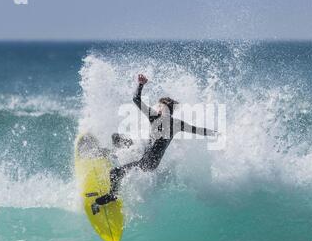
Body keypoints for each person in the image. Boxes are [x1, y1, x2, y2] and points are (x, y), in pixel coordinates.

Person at [91, 74, 217, 214]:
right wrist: (216, 134)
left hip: (147, 163)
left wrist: (140, 84)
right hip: (147, 155)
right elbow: (200, 131)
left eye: (159, 106)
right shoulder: (174, 122)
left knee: (115, 172)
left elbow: (136, 99)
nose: (157, 108)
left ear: (164, 108)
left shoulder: (159, 117)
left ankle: (112, 196)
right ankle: (107, 153)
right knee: (118, 138)